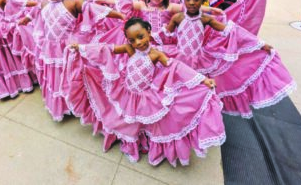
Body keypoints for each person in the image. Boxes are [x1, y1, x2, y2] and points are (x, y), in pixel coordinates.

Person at [63, 17, 225, 166]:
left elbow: (175, 66)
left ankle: (141, 141)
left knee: (141, 121)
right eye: (132, 40)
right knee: (123, 120)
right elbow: (107, 49)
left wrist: (202, 79)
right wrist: (81, 48)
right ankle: (128, 143)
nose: (138, 43)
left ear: (148, 31)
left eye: (140, 37)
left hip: (144, 96)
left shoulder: (156, 54)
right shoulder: (129, 48)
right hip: (126, 91)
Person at [162, 0, 296, 118]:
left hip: (198, 61)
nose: (191, 3)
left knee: (197, 89)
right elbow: (164, 35)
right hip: (180, 59)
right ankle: (177, 117)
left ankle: (195, 116)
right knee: (177, 89)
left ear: (203, 0)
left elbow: (232, 31)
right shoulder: (177, 17)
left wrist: (260, 44)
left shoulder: (206, 19)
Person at [22, 0, 125, 121]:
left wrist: (119, 15)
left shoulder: (72, 3)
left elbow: (94, 10)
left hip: (68, 48)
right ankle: (61, 105)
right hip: (51, 48)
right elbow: (33, 13)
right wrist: (24, 20)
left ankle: (74, 102)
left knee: (70, 75)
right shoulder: (43, 4)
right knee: (55, 76)